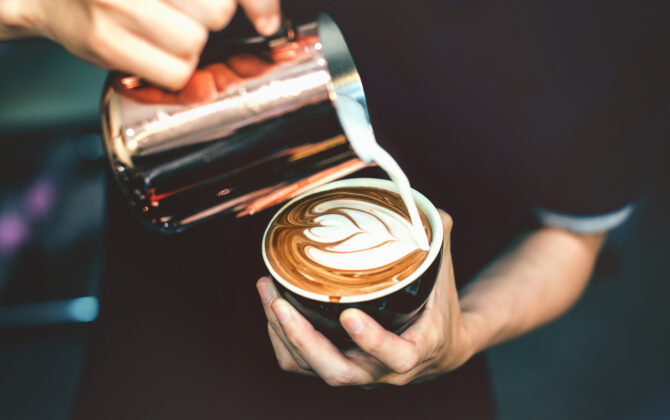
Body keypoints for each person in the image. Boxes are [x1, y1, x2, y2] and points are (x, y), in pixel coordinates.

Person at [1, 1, 668, 418]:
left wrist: (466, 331)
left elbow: (570, 236)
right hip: (165, 329)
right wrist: (41, 8)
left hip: (425, 368)